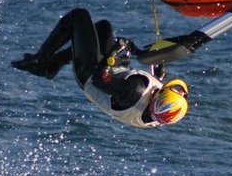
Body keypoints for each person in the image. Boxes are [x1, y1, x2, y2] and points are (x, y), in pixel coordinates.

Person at [11, 8, 189, 128]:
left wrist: (115, 51)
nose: (180, 91)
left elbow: (100, 78)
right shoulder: (158, 117)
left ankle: (41, 60)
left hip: (90, 75)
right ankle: (55, 64)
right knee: (103, 29)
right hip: (117, 79)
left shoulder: (136, 89)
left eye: (175, 91)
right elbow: (154, 103)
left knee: (78, 17)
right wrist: (158, 77)